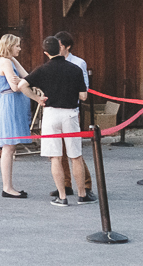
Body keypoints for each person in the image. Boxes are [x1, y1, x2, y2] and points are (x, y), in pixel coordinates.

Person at [24, 35, 89, 207]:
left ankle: (62, 196)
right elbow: (83, 96)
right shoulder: (75, 69)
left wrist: (37, 98)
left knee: (55, 157)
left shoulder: (42, 70)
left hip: (51, 114)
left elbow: (21, 85)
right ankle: (82, 194)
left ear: (46, 52)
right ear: (61, 48)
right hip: (70, 114)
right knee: (75, 156)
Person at [0, 33, 35, 198]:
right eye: (17, 45)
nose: (20, 48)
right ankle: (7, 187)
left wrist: (21, 78)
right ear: (9, 46)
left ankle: (9, 186)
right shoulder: (5, 63)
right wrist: (21, 82)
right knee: (8, 147)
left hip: (13, 103)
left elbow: (26, 76)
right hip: (10, 103)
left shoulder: (8, 61)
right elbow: (15, 86)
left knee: (10, 147)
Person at [56, 30, 96, 203]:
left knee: (74, 150)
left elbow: (84, 89)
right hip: (57, 108)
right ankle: (65, 184)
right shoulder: (54, 62)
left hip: (72, 108)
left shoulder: (78, 63)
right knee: (60, 150)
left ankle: (86, 185)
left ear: (67, 46)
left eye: (59, 46)